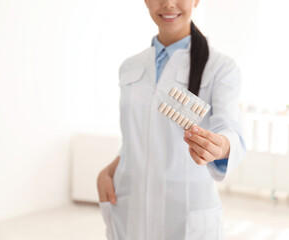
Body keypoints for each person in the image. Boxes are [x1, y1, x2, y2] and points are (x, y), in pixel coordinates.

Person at [97, 0, 246, 239]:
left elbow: (229, 129)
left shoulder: (220, 67)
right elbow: (135, 139)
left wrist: (219, 146)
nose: (168, 4)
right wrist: (107, 172)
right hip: (129, 206)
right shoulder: (130, 67)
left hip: (185, 212)